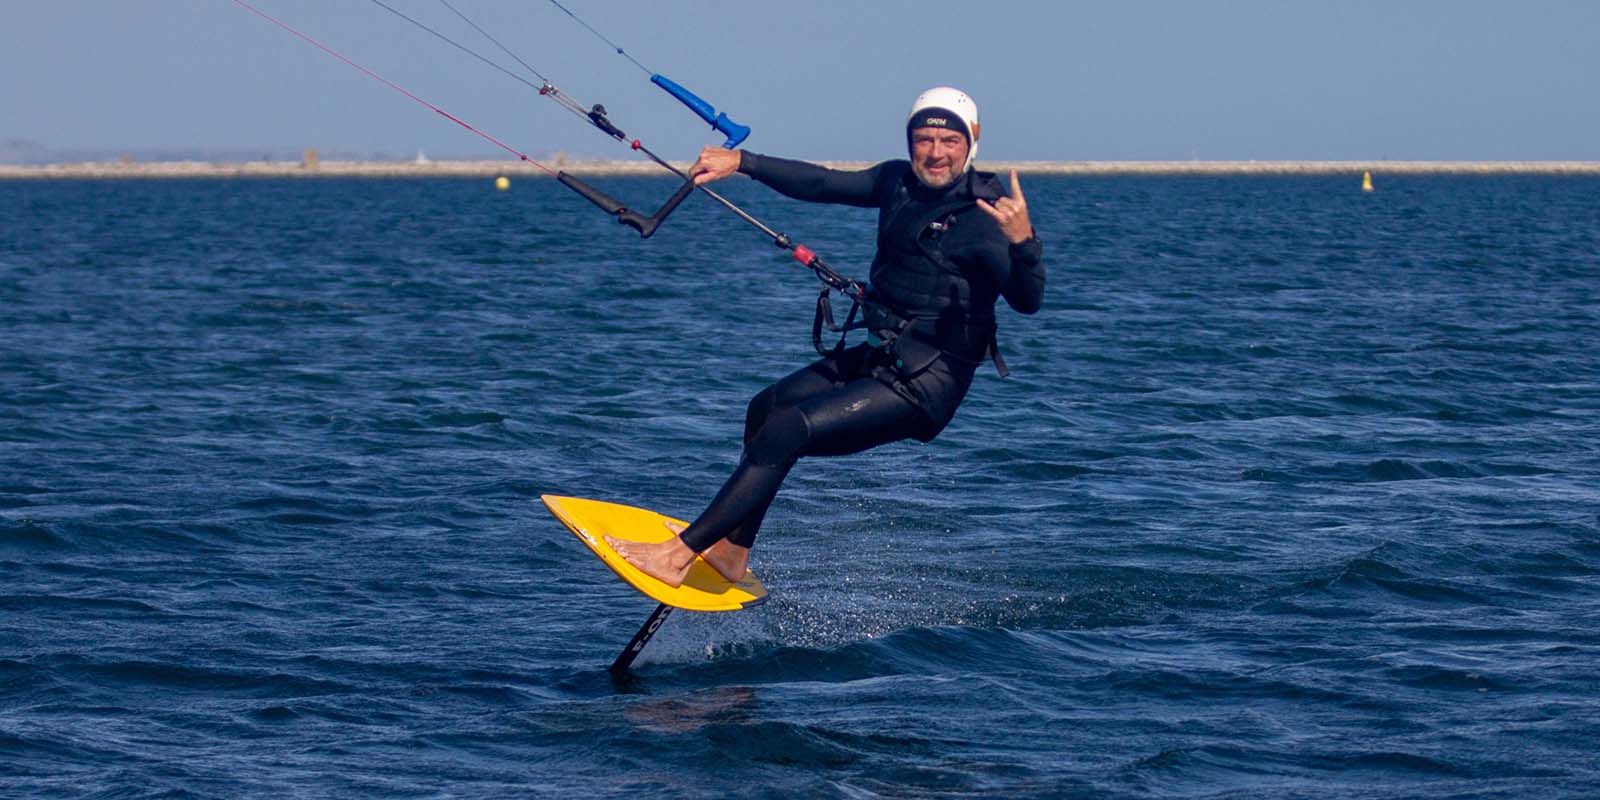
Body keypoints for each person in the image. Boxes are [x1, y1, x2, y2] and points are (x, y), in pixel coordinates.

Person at [607, 87, 1046, 587]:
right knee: (766, 409)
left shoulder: (987, 218)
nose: (936, 152)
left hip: (927, 384)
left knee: (786, 431)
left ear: (972, 142)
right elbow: (821, 183)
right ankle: (732, 552)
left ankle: (678, 554)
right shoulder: (895, 182)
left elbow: (1028, 301)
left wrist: (1024, 242)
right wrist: (743, 161)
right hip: (881, 357)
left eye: (950, 140)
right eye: (924, 138)